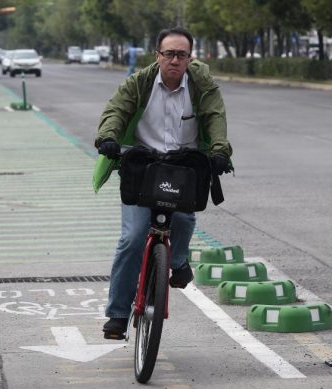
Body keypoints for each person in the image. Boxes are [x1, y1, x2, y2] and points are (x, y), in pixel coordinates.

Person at [94, 27, 233, 339]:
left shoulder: (201, 86)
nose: (174, 60)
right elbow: (116, 111)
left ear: (190, 58)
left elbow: (215, 118)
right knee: (131, 239)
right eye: (168, 53)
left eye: (181, 54)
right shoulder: (139, 83)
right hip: (143, 164)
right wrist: (108, 138)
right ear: (157, 56)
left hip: (183, 166)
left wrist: (220, 152)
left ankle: (179, 261)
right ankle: (117, 314)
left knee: (183, 217)